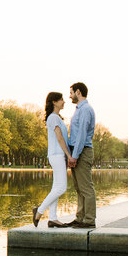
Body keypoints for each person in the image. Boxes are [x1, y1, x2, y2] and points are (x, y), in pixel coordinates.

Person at [33, 92, 71, 228]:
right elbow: (60, 138)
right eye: (61, 99)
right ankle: (40, 210)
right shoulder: (53, 118)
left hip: (57, 155)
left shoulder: (56, 118)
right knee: (61, 188)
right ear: (54, 102)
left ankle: (53, 218)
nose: (64, 101)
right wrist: (69, 155)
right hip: (57, 154)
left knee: (56, 187)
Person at [66, 82, 96, 228]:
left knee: (86, 187)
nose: (69, 96)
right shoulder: (79, 109)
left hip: (82, 151)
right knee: (79, 187)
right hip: (77, 151)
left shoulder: (85, 110)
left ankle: (89, 220)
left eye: (71, 92)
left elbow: (82, 135)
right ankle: (80, 217)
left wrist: (75, 156)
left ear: (78, 92)